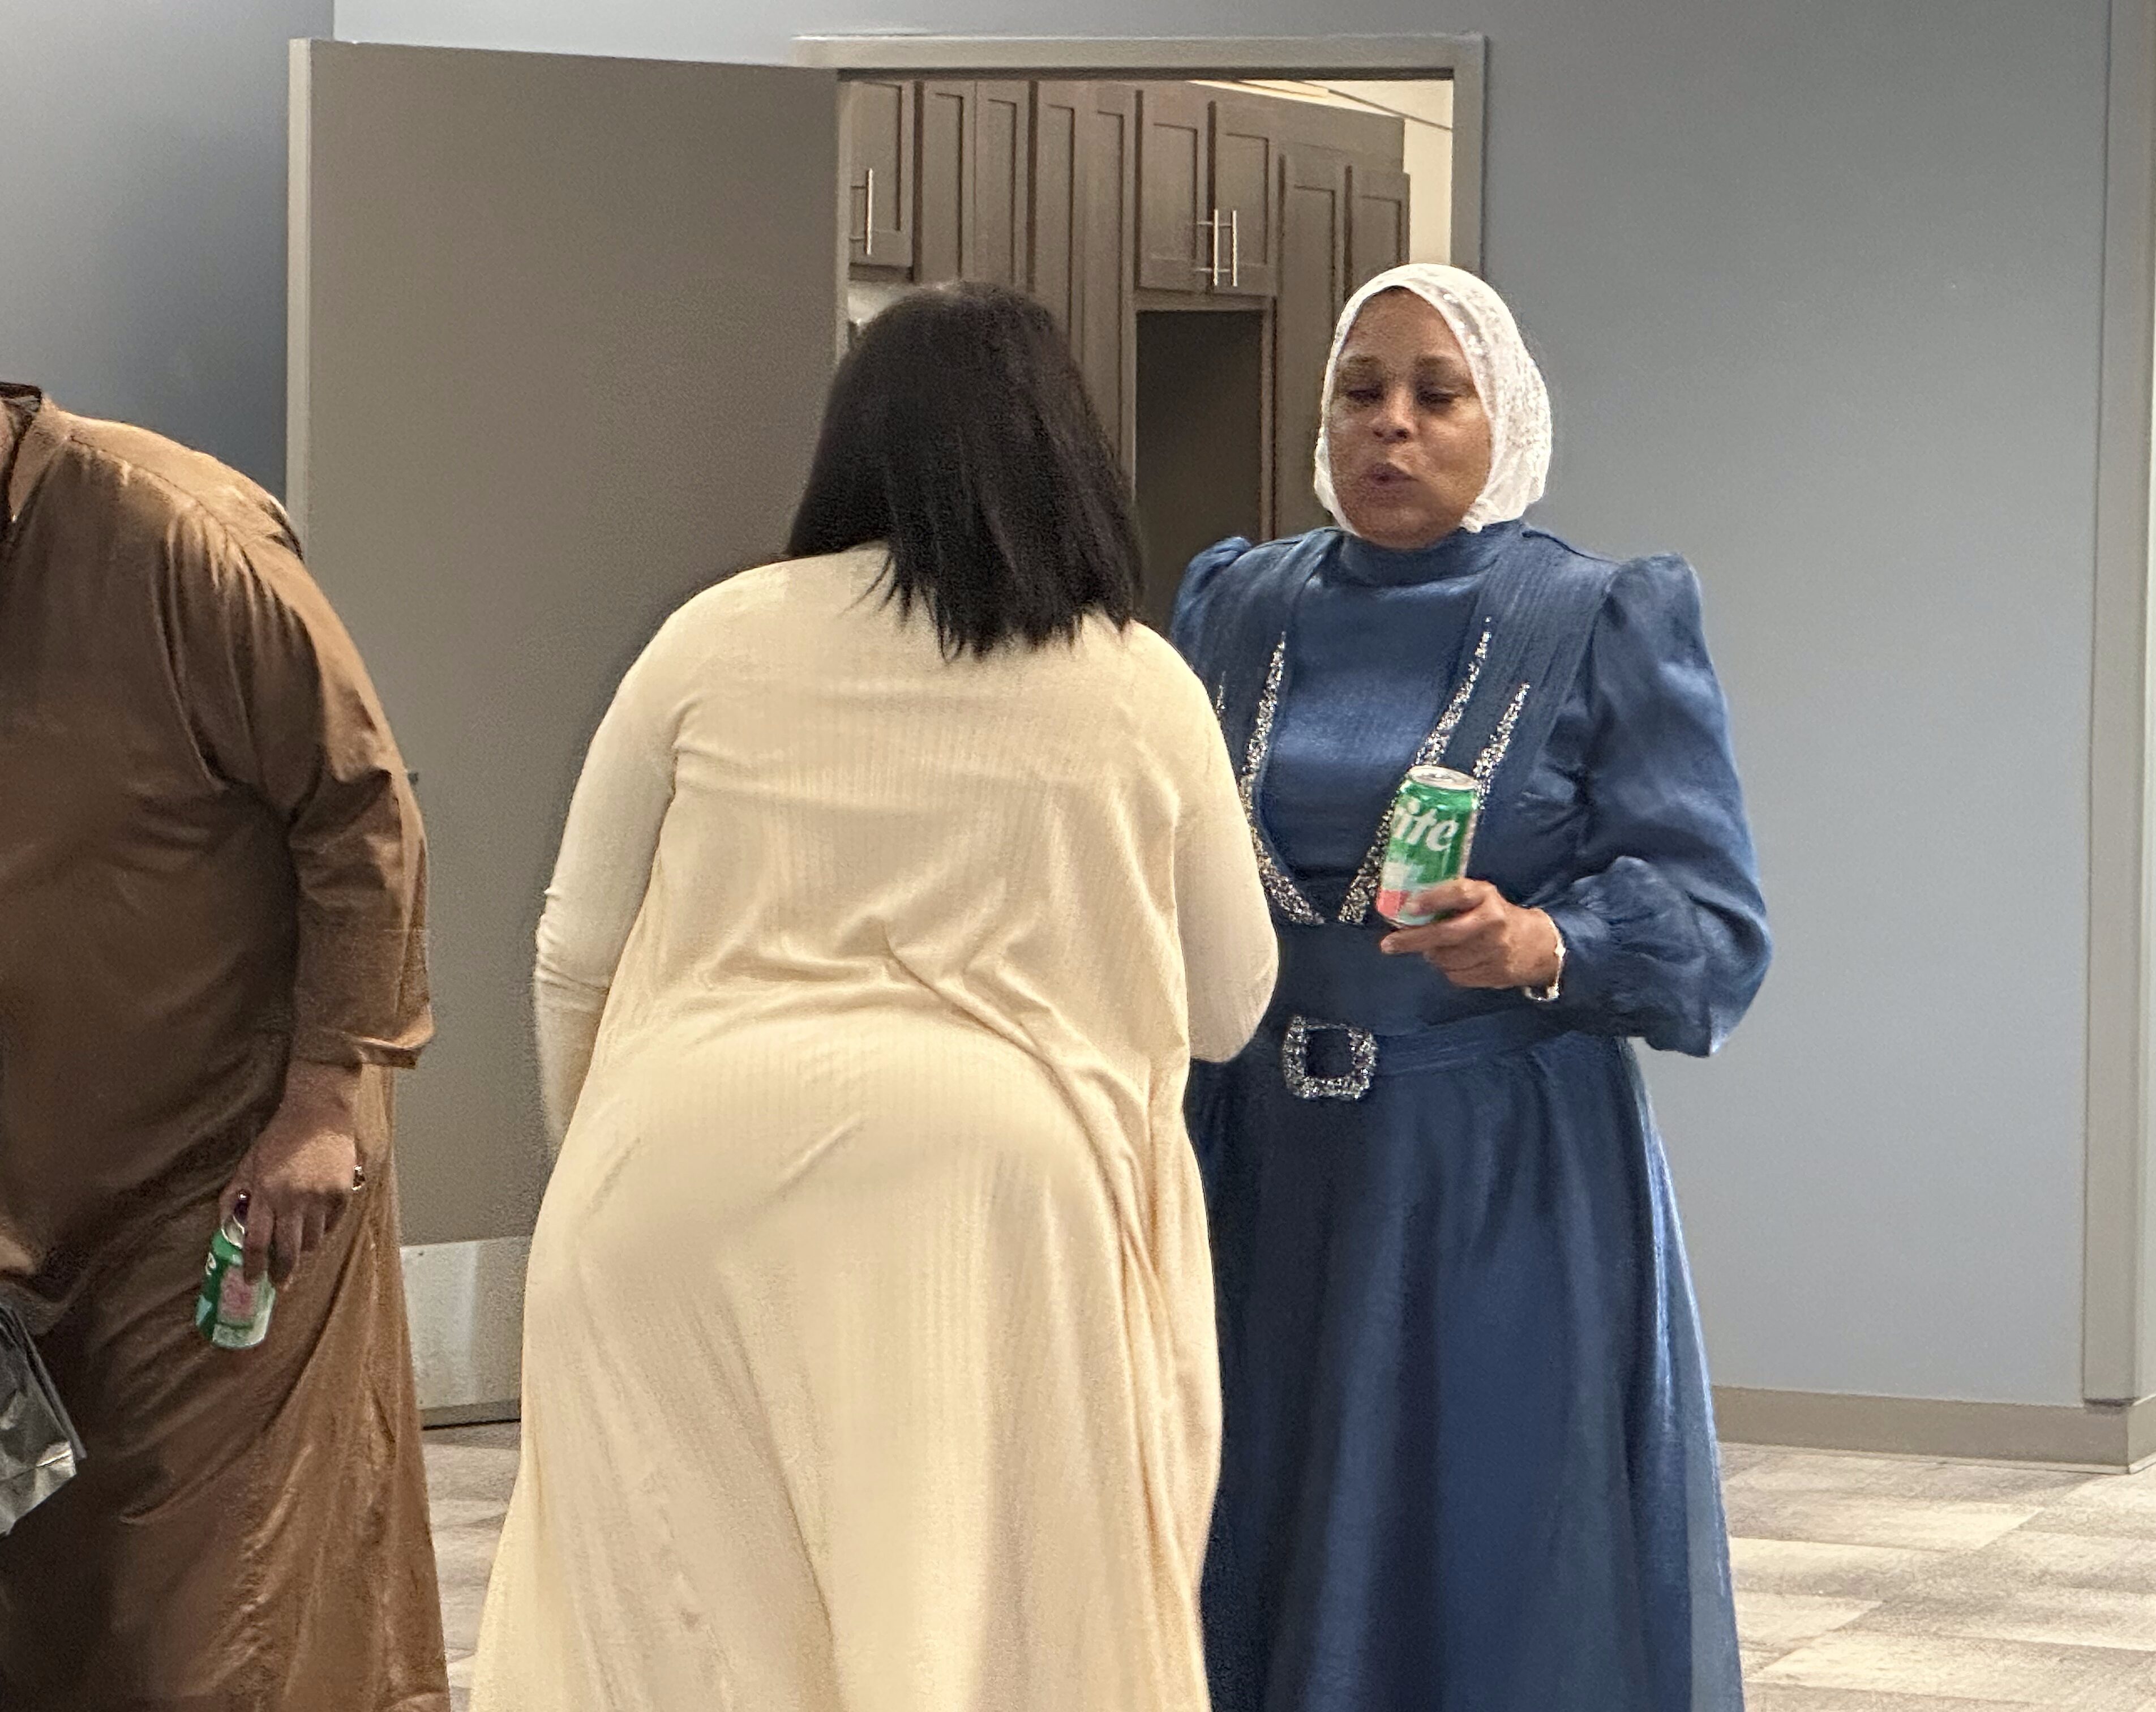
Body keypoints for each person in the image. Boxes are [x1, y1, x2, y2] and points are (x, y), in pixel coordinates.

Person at [472, 283, 1279, 1712]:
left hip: (669, 1172)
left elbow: (571, 954)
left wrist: (602, 1155)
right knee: (959, 1641)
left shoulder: (708, 640)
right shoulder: (1139, 684)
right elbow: (1229, 1006)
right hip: (989, 1201)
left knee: (677, 1641)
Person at [1171, 264, 1772, 1710]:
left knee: (1486, 1536)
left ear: (1505, 423)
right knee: (1239, 1518)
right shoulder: (1232, 604)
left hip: (1492, 1165)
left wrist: (1547, 943)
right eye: (1360, 391)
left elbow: (1715, 931)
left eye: (1436, 396)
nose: (1392, 424)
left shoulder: (1598, 614)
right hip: (1252, 1160)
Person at [0, 384, 447, 1709]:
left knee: (206, 1626)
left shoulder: (175, 533)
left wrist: (325, 1097)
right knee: (46, 1608)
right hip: (30, 1191)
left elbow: (362, 815)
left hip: (227, 1177)